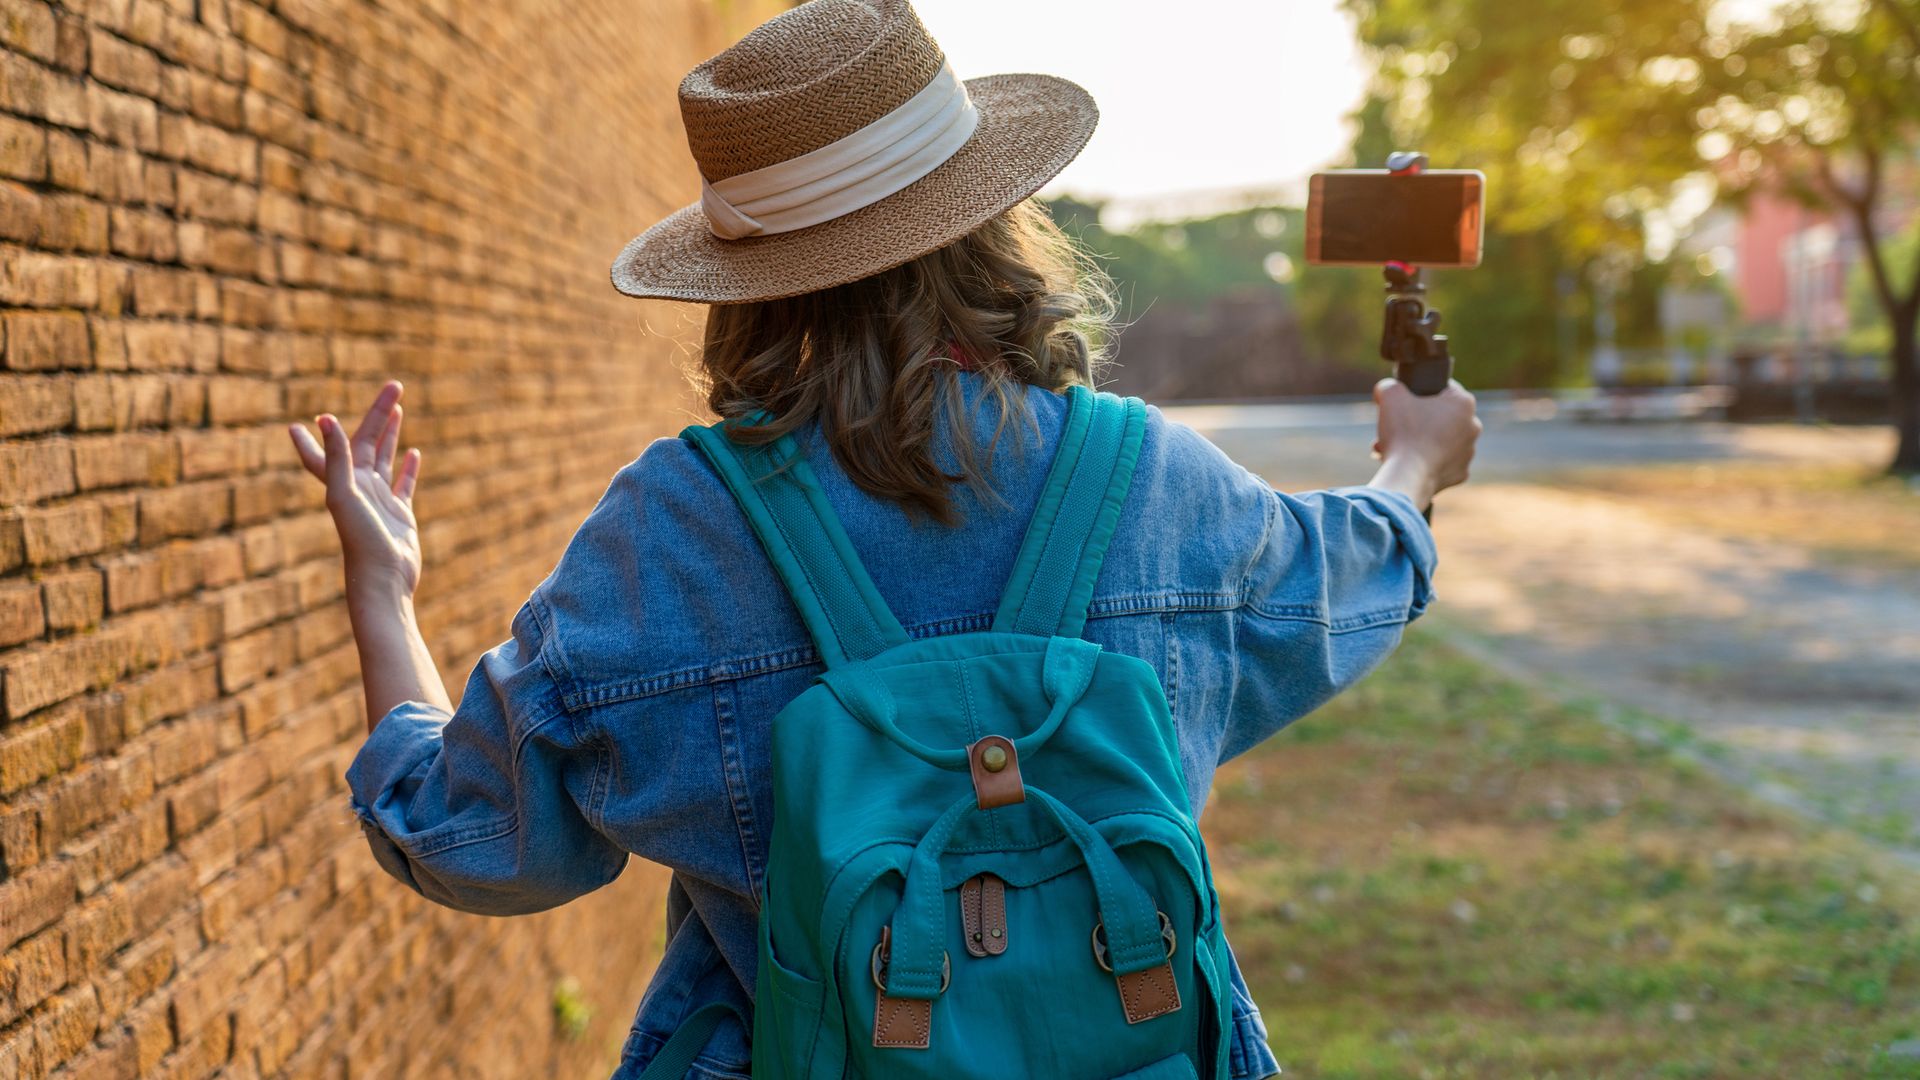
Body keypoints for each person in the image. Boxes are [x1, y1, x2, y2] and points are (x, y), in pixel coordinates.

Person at [285, 1, 1480, 1077]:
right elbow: (1349, 580)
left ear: (746, 284)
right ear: (991, 225)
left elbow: (472, 839)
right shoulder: (1150, 481)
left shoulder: (670, 532)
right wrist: (1415, 459)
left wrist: (383, 592)